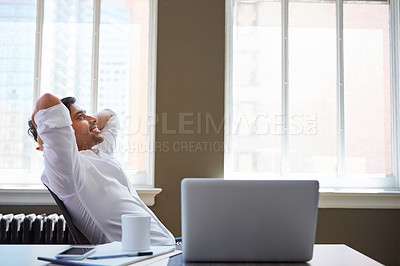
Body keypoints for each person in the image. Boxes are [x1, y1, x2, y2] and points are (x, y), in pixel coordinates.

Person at [28, 93, 175, 245]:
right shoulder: (68, 171)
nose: (94, 119)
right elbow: (47, 101)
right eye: (80, 116)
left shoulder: (98, 153)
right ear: (66, 131)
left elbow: (111, 117)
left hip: (168, 248)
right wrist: (43, 132)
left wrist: (86, 122)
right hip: (149, 258)